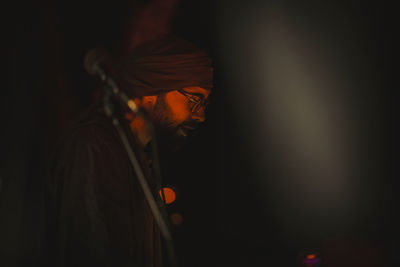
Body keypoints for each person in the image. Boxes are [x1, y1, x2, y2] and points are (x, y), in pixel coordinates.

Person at [45, 34, 213, 267]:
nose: (201, 115)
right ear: (154, 86)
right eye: (194, 101)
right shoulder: (96, 144)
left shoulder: (135, 154)